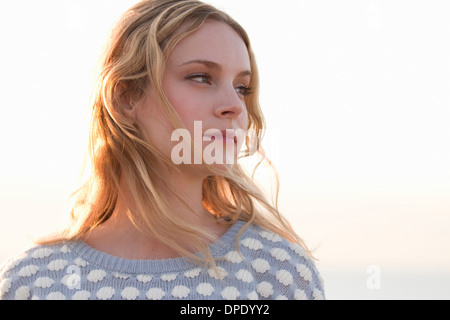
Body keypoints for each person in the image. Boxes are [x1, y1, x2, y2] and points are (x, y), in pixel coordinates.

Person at [0, 0, 324, 300]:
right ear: (126, 97)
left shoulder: (279, 274)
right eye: (201, 77)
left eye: (242, 87)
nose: (235, 106)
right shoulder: (33, 284)